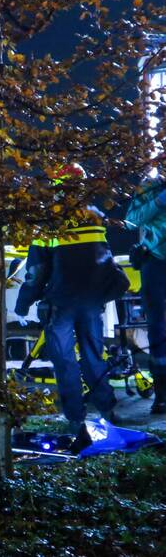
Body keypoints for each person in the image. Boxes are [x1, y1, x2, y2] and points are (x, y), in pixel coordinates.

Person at [17, 165, 128, 428]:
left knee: (64, 360)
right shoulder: (95, 216)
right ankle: (107, 412)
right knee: (93, 356)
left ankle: (76, 418)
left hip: (61, 303)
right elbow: (105, 261)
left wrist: (23, 304)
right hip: (91, 303)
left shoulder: (49, 221)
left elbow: (36, 271)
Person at [125, 173, 166, 414]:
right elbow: (131, 221)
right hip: (155, 263)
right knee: (157, 327)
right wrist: (158, 203)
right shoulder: (149, 186)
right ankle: (162, 394)